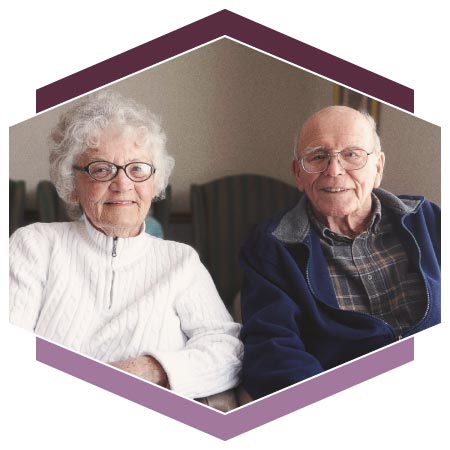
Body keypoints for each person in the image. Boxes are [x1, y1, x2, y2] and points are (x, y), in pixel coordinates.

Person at [10, 90, 243, 401]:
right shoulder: (34, 246)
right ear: (72, 183)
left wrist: (149, 369)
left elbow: (226, 351)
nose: (122, 184)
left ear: (153, 182)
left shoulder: (180, 261)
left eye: (137, 169)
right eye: (101, 169)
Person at [239, 105, 440, 400]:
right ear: (298, 173)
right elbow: (273, 350)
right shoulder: (270, 246)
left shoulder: (430, 221)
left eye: (352, 154)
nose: (334, 170)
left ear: (378, 168)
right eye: (317, 156)